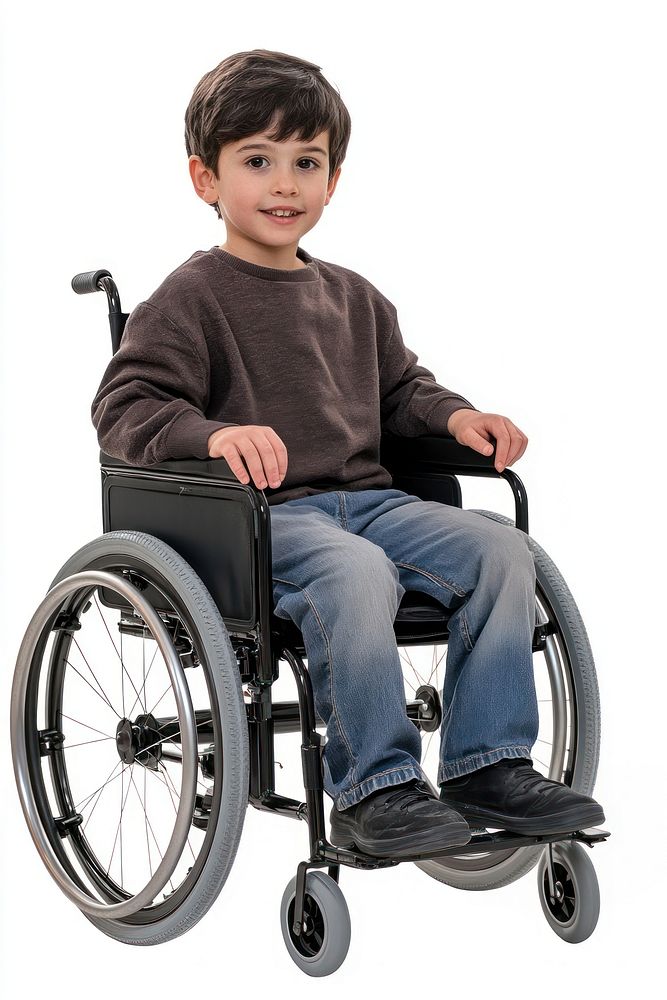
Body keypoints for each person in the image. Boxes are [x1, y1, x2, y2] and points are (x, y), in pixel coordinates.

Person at [91, 48, 605, 858]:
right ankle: (375, 787)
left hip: (373, 504)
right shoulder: (189, 298)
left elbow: (403, 393)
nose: (284, 184)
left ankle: (487, 764)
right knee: (352, 571)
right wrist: (216, 434)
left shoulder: (356, 298)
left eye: (306, 162)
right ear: (206, 179)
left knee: (505, 550)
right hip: (258, 519)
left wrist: (459, 418)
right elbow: (126, 408)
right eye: (256, 161)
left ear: (334, 179)